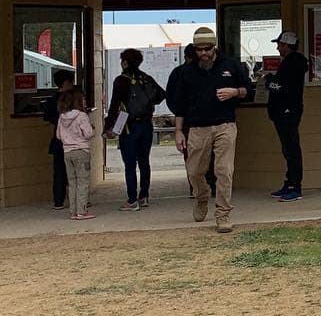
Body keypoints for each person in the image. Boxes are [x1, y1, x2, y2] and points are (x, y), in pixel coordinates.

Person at [173, 27, 253, 233]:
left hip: (225, 125)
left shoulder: (231, 65)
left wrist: (235, 91)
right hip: (197, 128)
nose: (203, 53)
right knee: (194, 171)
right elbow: (180, 104)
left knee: (224, 170)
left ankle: (223, 214)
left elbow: (249, 90)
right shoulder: (187, 72)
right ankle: (202, 197)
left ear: (214, 47)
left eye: (207, 49)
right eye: (199, 50)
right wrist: (178, 131)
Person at [105, 48, 166, 210]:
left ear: (125, 62)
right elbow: (161, 95)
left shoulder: (121, 80)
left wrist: (108, 127)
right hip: (146, 124)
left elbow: (114, 105)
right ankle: (144, 196)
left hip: (128, 126)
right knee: (144, 162)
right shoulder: (146, 78)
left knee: (130, 164)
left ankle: (132, 200)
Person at [167, 44, 217, 199]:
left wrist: (179, 113)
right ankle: (202, 186)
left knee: (195, 155)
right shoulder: (181, 73)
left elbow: (170, 98)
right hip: (192, 121)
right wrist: (181, 114)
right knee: (200, 155)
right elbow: (172, 97)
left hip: (195, 120)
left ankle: (200, 187)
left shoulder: (205, 70)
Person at [265, 30, 309, 201]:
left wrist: (269, 81)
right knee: (288, 150)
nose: (277, 48)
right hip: (284, 112)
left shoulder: (293, 63)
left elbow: (281, 88)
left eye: (280, 45)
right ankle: (289, 182)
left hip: (288, 113)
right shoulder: (290, 62)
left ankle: (295, 187)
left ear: (287, 45)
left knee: (292, 150)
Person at [58, 85, 96, 220]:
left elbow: (58, 135)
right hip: (81, 151)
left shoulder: (62, 116)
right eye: (83, 99)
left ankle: (73, 211)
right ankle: (82, 211)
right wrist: (92, 128)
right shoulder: (81, 116)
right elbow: (88, 133)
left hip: (67, 152)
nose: (84, 101)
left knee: (72, 181)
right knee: (83, 181)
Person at [42, 70, 76, 209]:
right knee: (75, 172)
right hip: (74, 142)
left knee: (59, 171)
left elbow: (50, 122)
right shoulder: (74, 99)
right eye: (71, 82)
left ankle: (58, 200)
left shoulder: (51, 101)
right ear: (66, 83)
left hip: (58, 140)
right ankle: (78, 200)